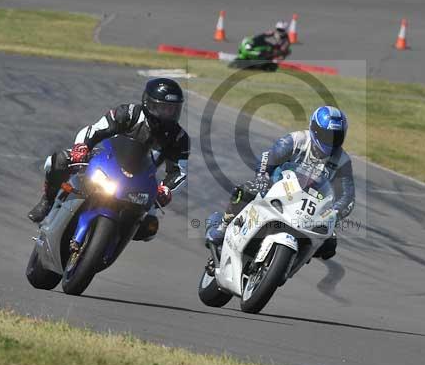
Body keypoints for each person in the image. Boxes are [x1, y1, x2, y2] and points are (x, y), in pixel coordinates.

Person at [27, 78, 191, 231]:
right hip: (103, 161)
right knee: (58, 161)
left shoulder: (179, 138)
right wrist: (81, 147)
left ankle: (109, 244)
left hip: (140, 181)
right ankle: (48, 200)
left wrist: (166, 189)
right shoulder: (129, 113)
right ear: (149, 104)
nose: (168, 114)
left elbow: (180, 171)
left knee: (148, 229)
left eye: (172, 109)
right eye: (163, 108)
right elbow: (96, 129)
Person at [207, 105, 354, 260]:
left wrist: (334, 213)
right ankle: (223, 226)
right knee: (246, 191)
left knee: (329, 246)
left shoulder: (342, 160)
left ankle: (289, 262)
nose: (330, 141)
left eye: (336, 136)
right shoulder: (296, 140)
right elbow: (268, 159)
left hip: (311, 207)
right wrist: (263, 177)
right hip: (279, 188)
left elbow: (347, 196)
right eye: (326, 135)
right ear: (315, 130)